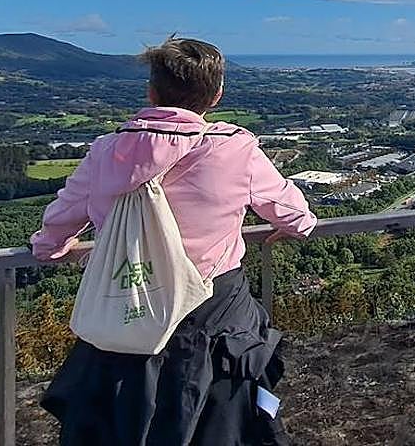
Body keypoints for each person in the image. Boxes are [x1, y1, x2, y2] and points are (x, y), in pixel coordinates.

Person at [30, 36, 317, 445]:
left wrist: (53, 249)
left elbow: (58, 224)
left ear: (152, 92)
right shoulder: (234, 149)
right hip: (214, 322)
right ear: (216, 96)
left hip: (128, 316)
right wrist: (294, 228)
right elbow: (295, 215)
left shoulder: (106, 151)